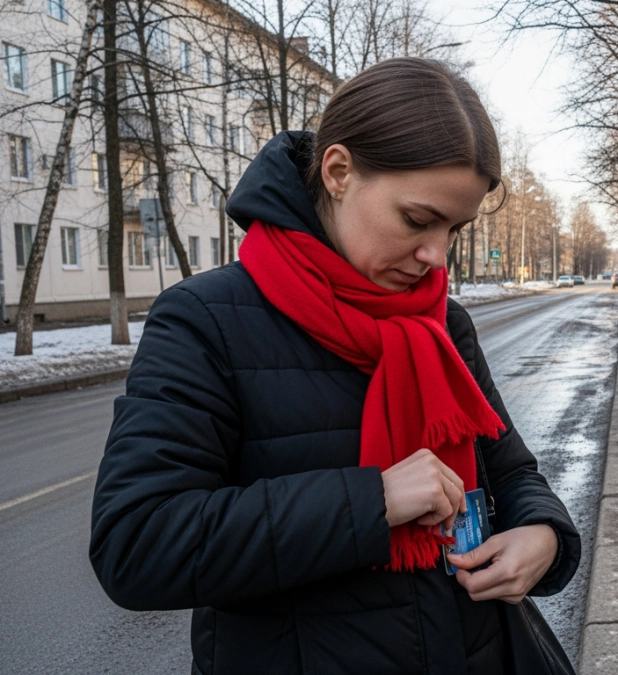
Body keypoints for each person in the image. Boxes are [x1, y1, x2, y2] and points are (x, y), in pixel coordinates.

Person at [89, 58, 580, 675]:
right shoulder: (206, 319)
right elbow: (137, 545)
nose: (436, 256)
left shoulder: (442, 322)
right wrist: (371, 499)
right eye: (418, 220)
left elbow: (509, 472)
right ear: (339, 171)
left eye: (455, 229)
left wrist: (545, 535)